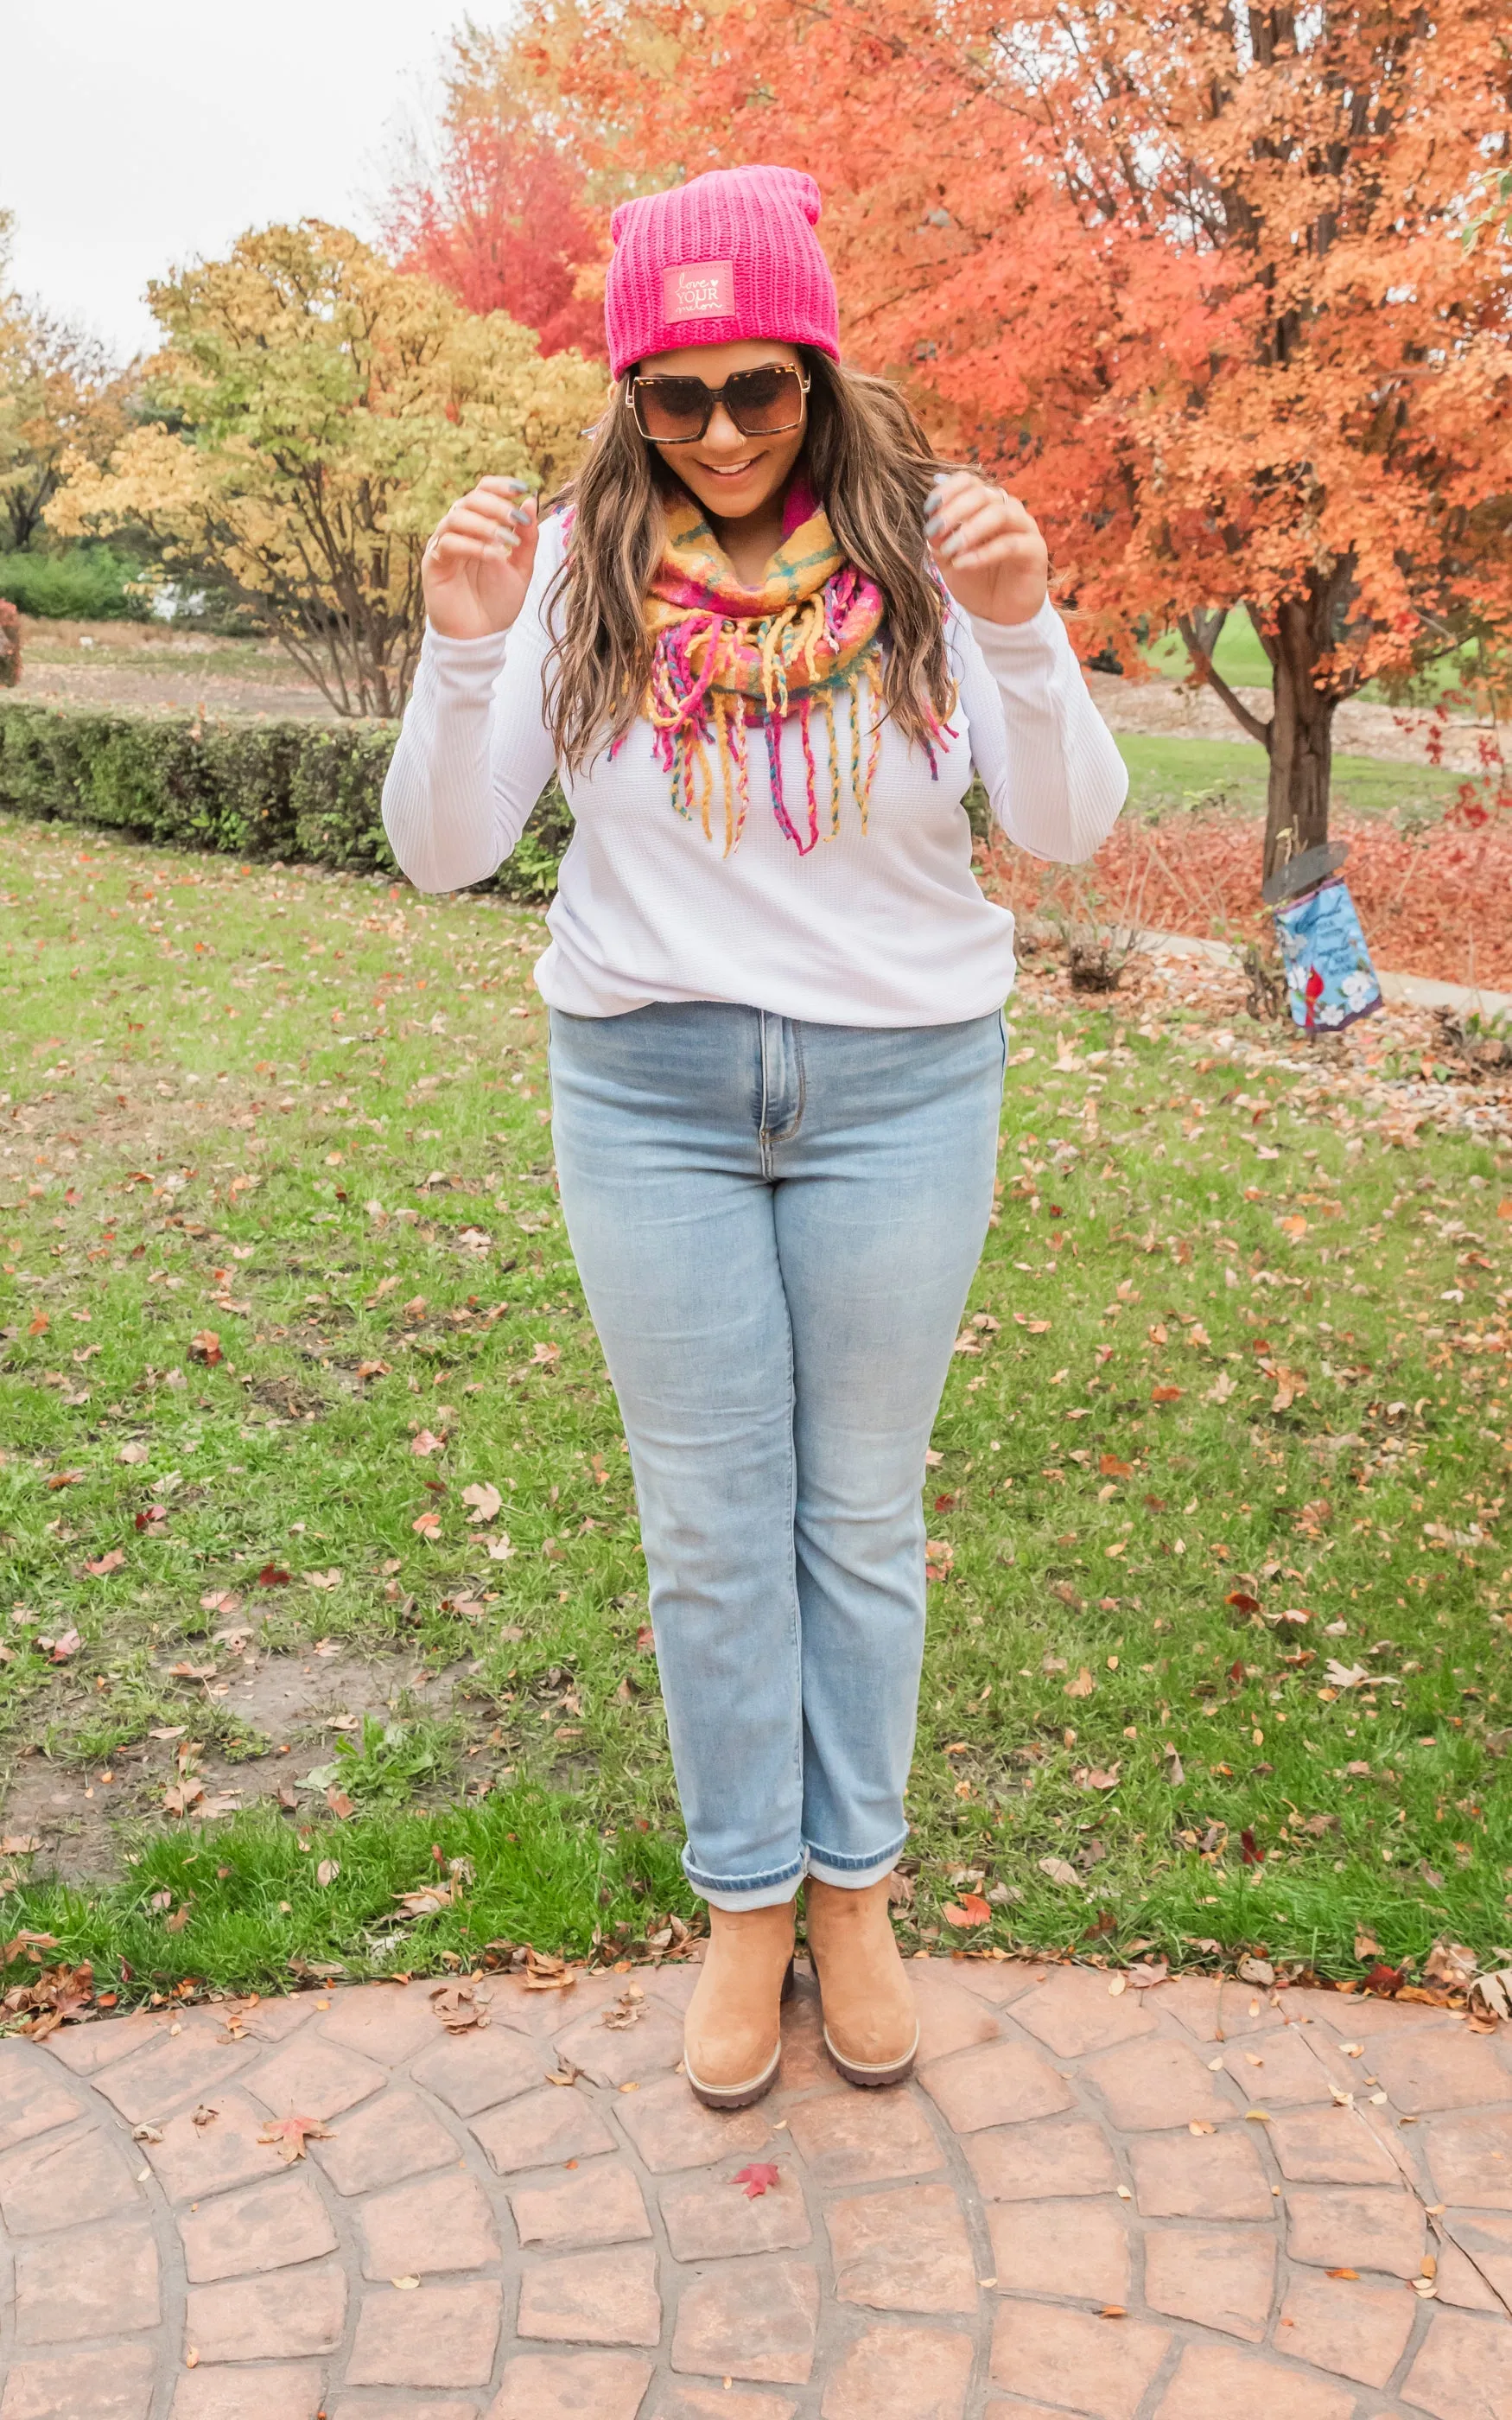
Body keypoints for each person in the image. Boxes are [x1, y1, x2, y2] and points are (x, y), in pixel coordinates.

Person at [383, 163, 1128, 2110]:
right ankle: (742, 1901)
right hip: (648, 1092)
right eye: (673, 394)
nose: (718, 432)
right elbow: (445, 851)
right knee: (712, 1530)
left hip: (900, 1089)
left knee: (856, 1518)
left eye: (757, 389)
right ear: (628, 396)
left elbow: (1060, 831)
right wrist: (464, 649)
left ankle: (853, 1888)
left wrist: (1027, 629)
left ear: (818, 368)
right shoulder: (564, 572)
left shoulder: (929, 554)